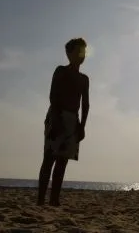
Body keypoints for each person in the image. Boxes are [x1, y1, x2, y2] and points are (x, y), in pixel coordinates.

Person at [37, 38, 90, 206]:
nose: (81, 55)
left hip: (73, 120)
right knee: (49, 159)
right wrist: (57, 120)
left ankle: (54, 200)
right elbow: (53, 96)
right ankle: (40, 200)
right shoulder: (61, 71)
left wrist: (82, 126)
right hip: (56, 115)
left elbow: (85, 104)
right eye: (78, 51)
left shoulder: (84, 79)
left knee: (62, 162)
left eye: (83, 51)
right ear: (69, 53)